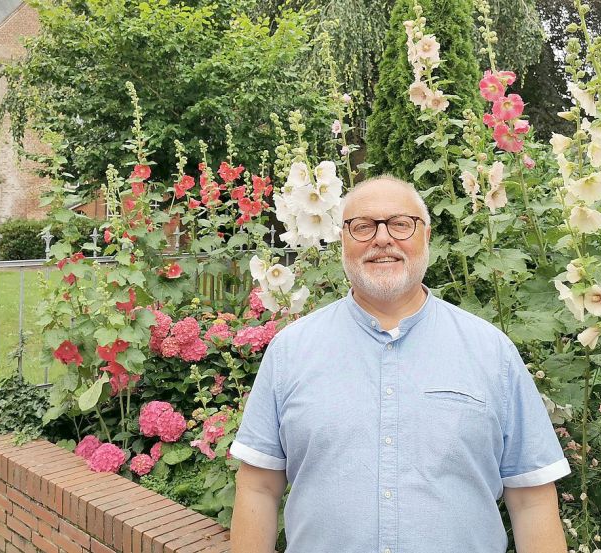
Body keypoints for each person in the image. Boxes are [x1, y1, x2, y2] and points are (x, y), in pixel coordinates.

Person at [229, 176, 570, 553]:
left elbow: (532, 499)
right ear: (343, 240)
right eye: (363, 226)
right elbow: (258, 487)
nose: (382, 239)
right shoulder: (289, 352)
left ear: (426, 236)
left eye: (400, 224)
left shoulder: (492, 352)